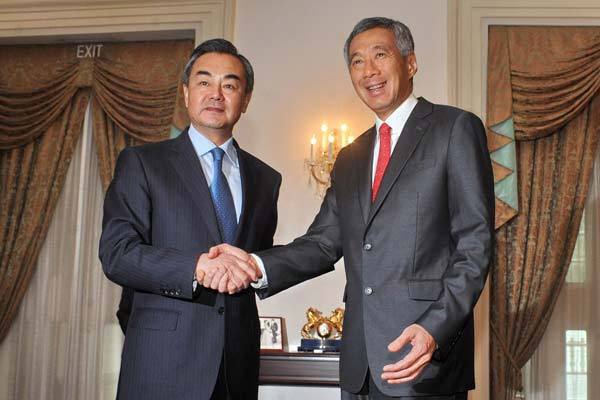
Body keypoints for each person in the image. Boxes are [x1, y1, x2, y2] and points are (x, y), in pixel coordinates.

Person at [210, 17, 495, 399]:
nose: (369, 70)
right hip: (359, 365)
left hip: (422, 360)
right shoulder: (350, 156)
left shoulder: (454, 128)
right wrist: (253, 266)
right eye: (357, 61)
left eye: (380, 55)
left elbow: (474, 244)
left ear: (410, 63)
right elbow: (322, 243)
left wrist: (434, 328)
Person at [99, 38, 280, 400]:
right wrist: (194, 267)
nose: (216, 93)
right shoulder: (142, 163)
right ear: (185, 93)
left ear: (245, 99)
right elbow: (117, 253)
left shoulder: (266, 179)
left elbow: (254, 260)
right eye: (203, 82)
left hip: (237, 367)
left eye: (230, 84)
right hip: (162, 364)